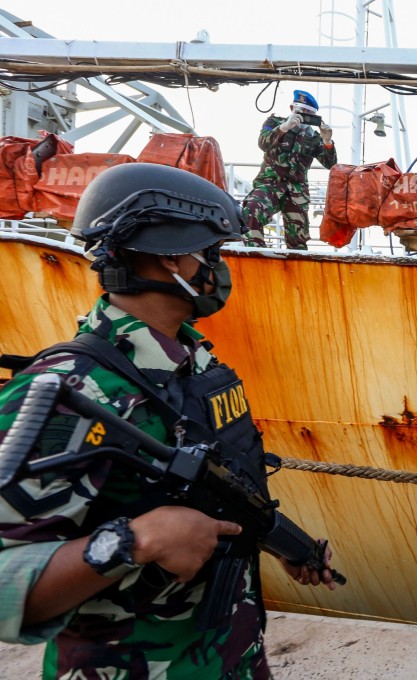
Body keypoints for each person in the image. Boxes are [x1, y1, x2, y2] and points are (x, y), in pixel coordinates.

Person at [0, 163, 336, 679]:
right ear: (170, 256)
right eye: (213, 252)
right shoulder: (74, 389)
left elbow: (217, 489)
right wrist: (135, 541)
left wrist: (279, 543)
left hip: (230, 657)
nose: (220, 269)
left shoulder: (197, 364)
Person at [242, 89, 337, 249]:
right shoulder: (274, 123)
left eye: (309, 114)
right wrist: (284, 127)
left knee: (298, 242)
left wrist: (327, 141)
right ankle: (257, 256)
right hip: (269, 185)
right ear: (291, 108)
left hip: (296, 192)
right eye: (301, 111)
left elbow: (330, 164)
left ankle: (295, 271)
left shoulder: (314, 138)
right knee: (251, 210)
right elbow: (263, 143)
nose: (303, 116)